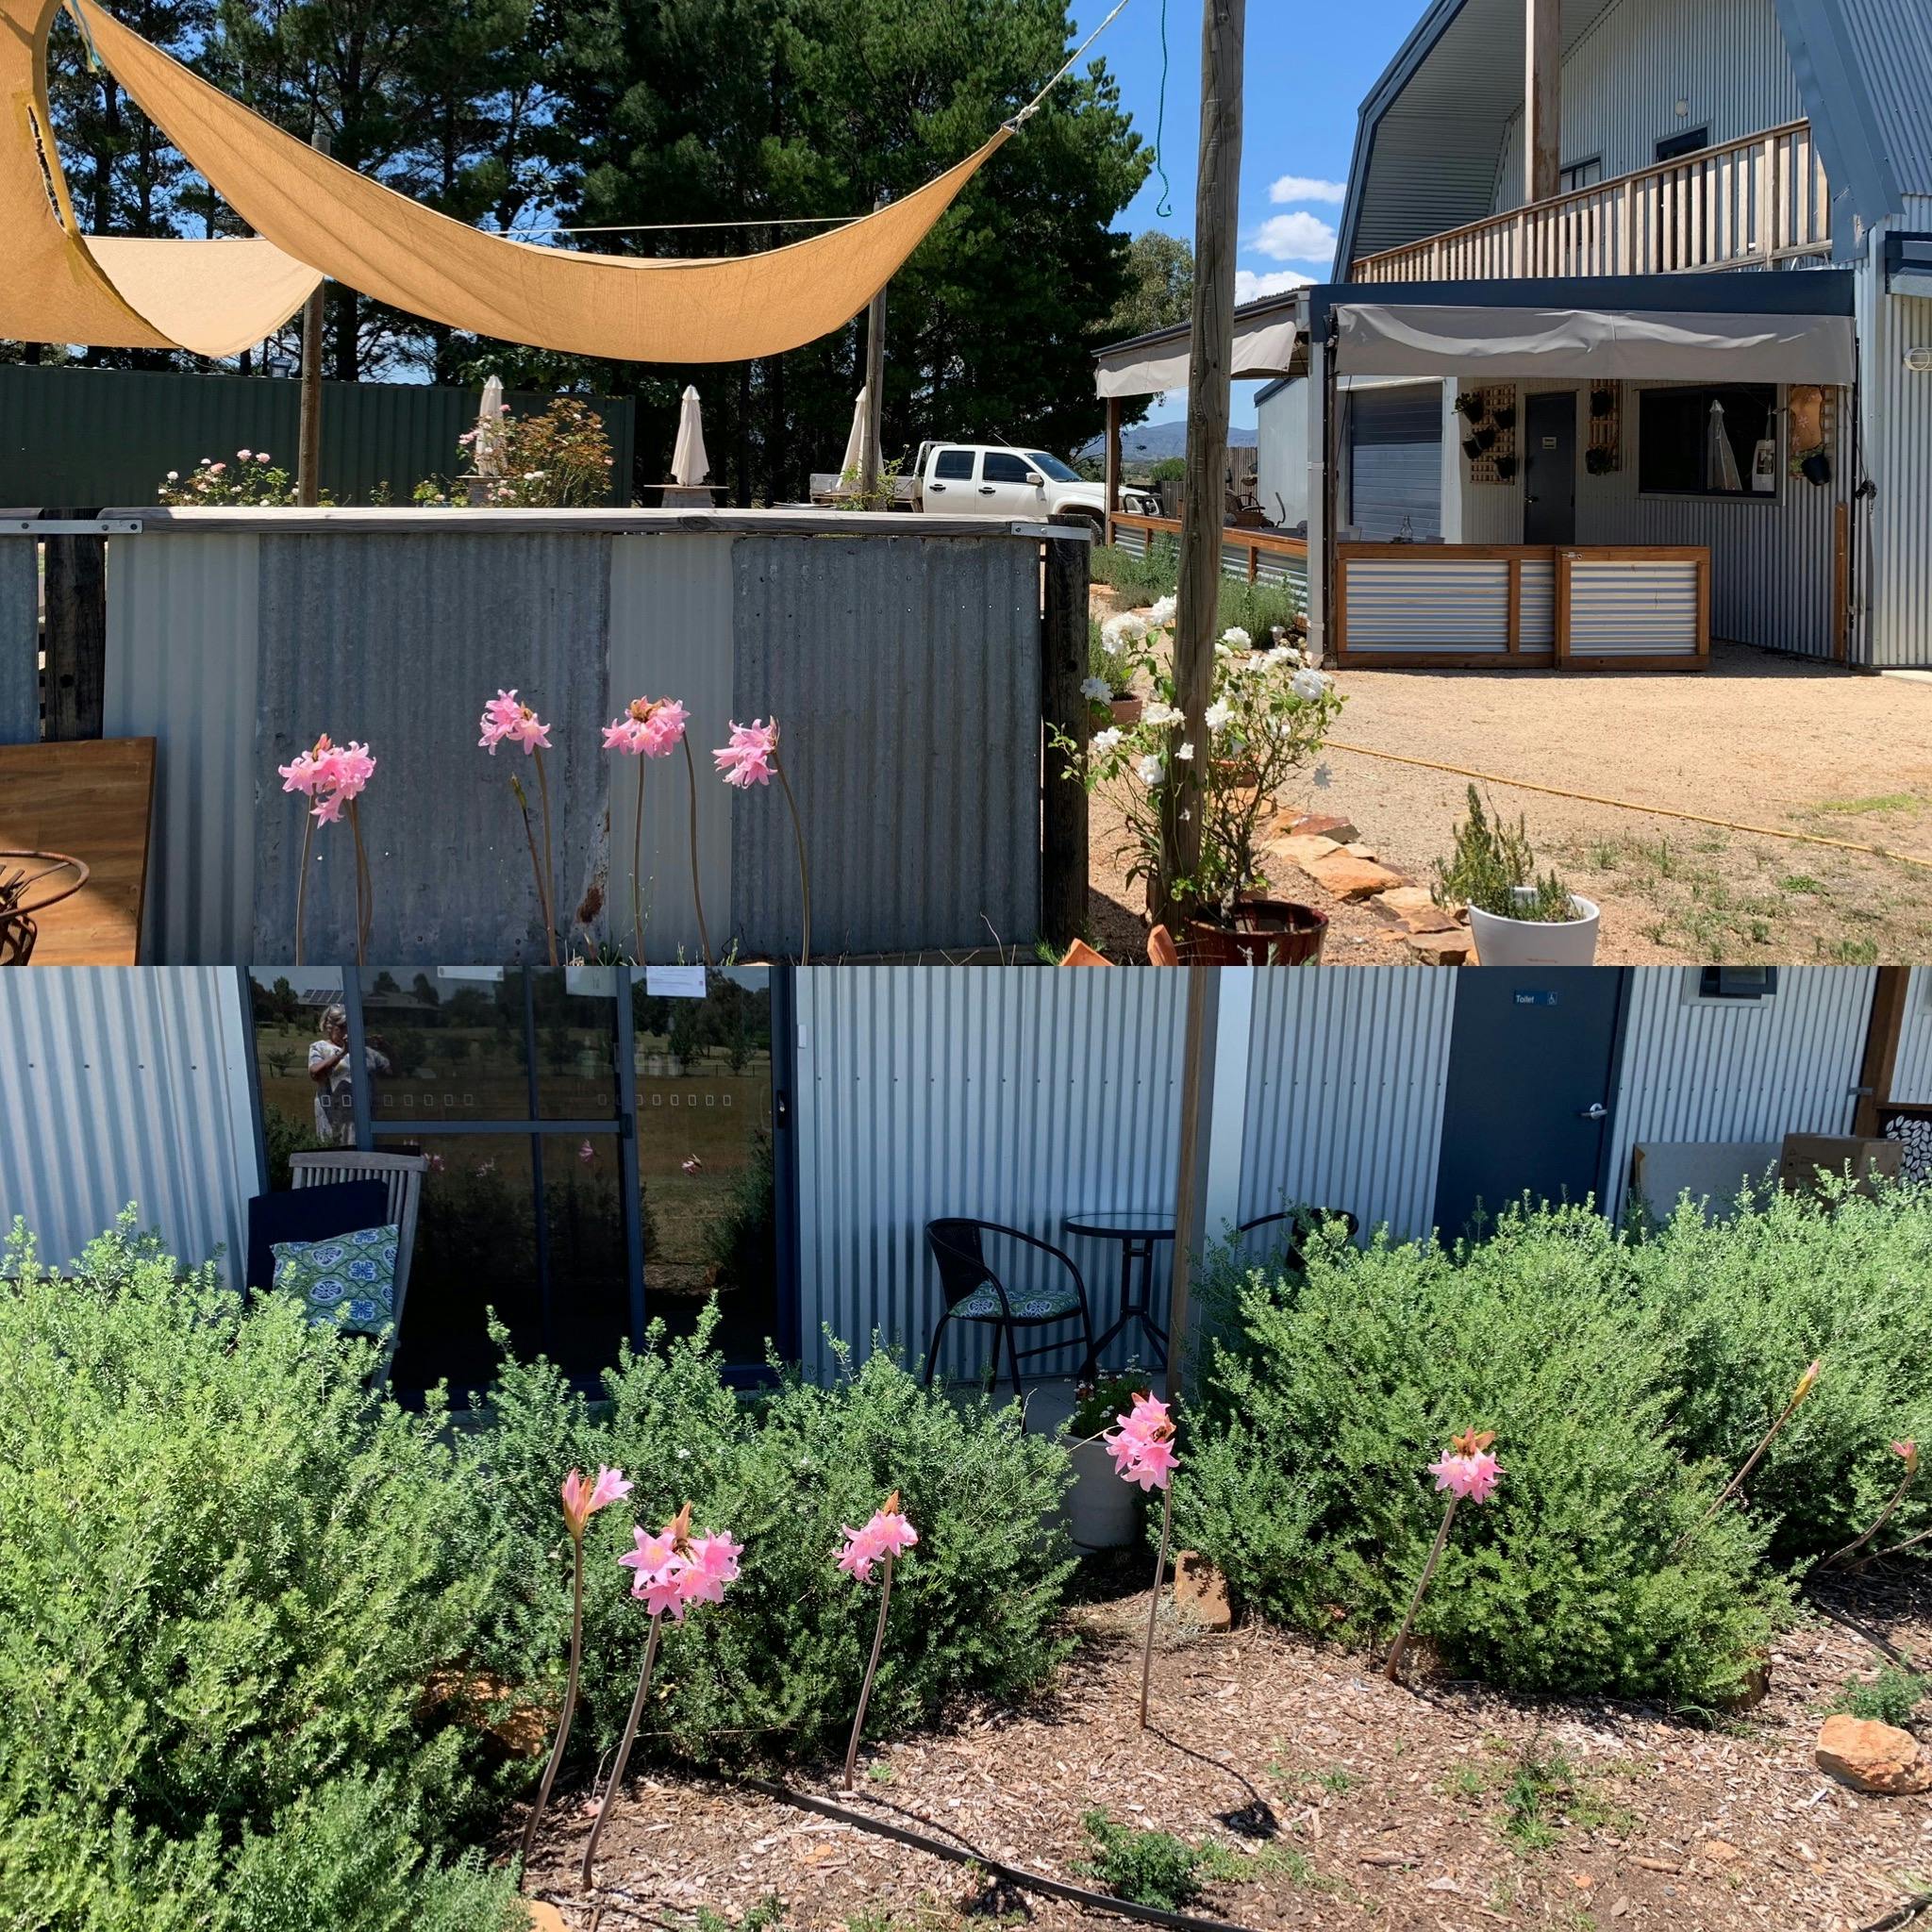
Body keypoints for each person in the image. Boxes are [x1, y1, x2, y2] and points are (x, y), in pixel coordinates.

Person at [308, 1005, 390, 1145]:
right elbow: (316, 1074)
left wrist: (387, 1048)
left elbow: (393, 1072)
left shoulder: (365, 1051)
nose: (348, 1031)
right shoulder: (319, 1048)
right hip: (336, 1122)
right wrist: (342, 1052)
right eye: (343, 1026)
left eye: (351, 1026)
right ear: (329, 1026)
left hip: (365, 1121)